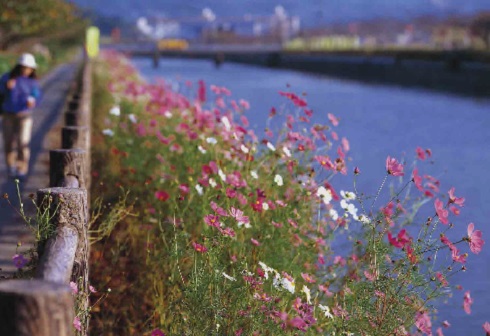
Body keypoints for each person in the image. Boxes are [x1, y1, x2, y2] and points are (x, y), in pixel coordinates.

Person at [0, 53, 41, 179]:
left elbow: (37, 95)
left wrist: (33, 100)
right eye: (24, 67)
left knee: (23, 143)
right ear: (19, 66)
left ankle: (21, 168)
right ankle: (11, 167)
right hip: (8, 115)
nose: (26, 70)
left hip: (25, 115)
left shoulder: (32, 81)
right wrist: (6, 87)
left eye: (28, 68)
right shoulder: (7, 78)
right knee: (9, 143)